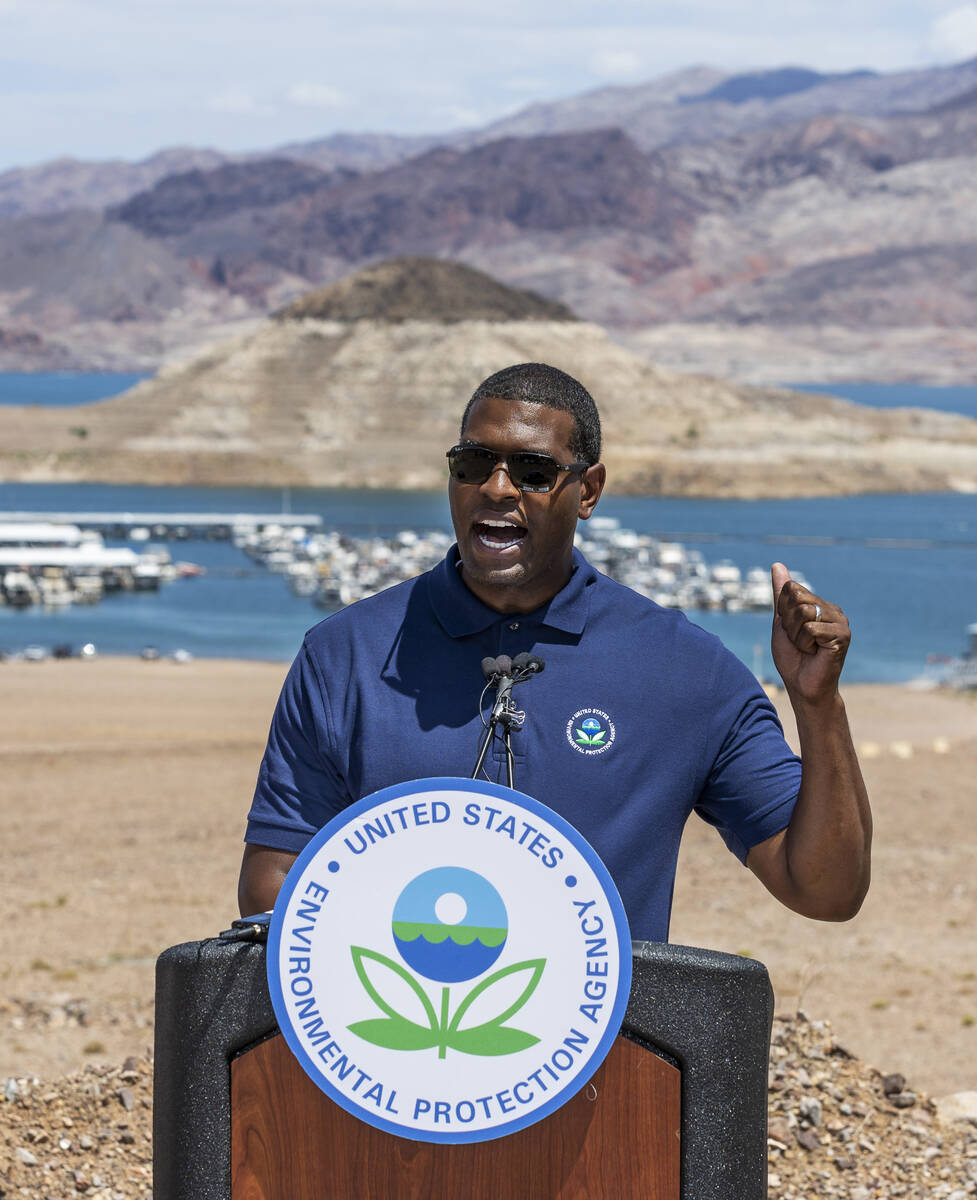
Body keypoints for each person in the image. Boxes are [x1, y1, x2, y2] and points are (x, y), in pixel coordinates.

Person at [239, 363, 871, 941]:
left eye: (534, 472)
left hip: (607, 1065)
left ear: (588, 491)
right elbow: (274, 885)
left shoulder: (686, 670)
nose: (497, 488)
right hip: (394, 1045)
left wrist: (818, 705)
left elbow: (827, 889)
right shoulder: (343, 655)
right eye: (473, 463)